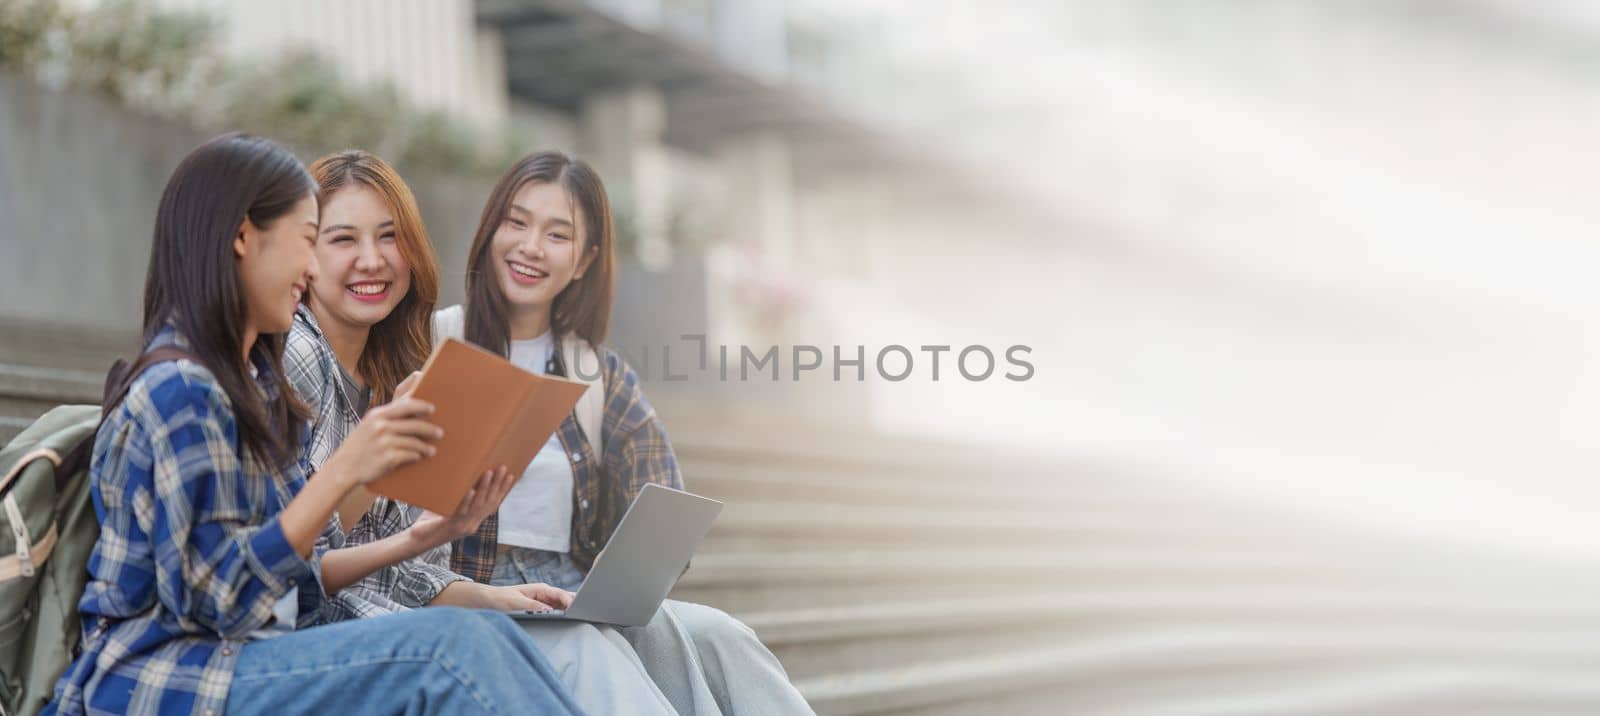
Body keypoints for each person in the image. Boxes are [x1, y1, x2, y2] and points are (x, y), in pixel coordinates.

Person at [44, 133, 582, 716]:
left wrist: (423, 536)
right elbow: (220, 602)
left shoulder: (252, 382)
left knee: (488, 638)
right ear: (243, 239)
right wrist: (349, 469)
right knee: (452, 649)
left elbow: (295, 584)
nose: (312, 268)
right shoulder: (182, 389)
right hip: (160, 680)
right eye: (312, 240)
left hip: (239, 663)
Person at [285, 148, 675, 714]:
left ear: (587, 259)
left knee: (698, 636)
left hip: (454, 597)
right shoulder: (333, 354)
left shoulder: (388, 364)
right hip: (336, 637)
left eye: (389, 237)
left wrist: (494, 597)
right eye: (343, 240)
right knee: (575, 651)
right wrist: (383, 465)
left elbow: (398, 572)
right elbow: (299, 560)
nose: (371, 260)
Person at [441, 150, 816, 716]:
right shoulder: (428, 341)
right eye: (516, 222)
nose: (530, 246)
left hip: (570, 589)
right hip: (470, 588)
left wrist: (639, 561)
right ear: (490, 227)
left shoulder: (597, 374)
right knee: (595, 653)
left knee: (723, 636)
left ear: (585, 260)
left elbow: (659, 496)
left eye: (557, 234)